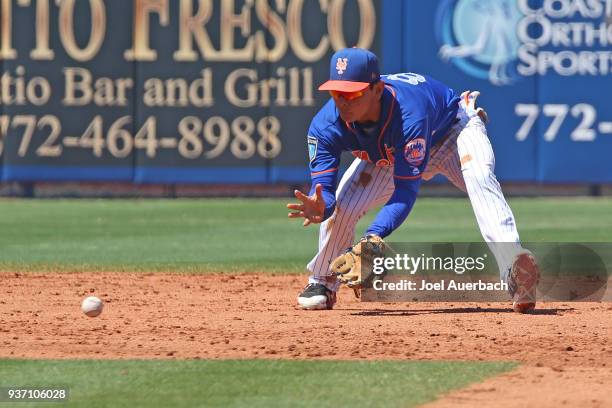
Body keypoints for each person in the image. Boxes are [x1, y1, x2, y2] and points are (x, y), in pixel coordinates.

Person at [287, 48, 539, 313]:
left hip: (453, 131)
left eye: (352, 93)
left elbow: (406, 191)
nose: (343, 101)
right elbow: (324, 191)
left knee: (480, 178)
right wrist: (322, 205)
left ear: (377, 89)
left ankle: (514, 268)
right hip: (390, 152)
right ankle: (322, 282)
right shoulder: (325, 126)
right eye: (336, 93)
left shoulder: (409, 114)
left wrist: (373, 238)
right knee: (343, 206)